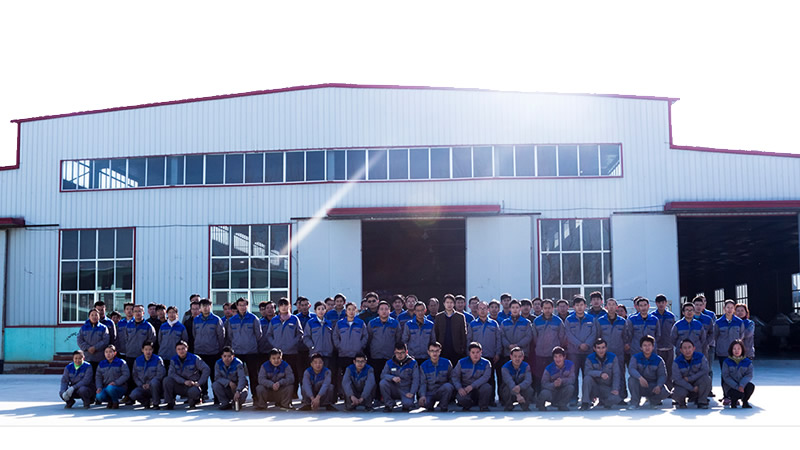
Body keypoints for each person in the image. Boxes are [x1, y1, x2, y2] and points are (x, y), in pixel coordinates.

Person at [267, 297, 305, 396]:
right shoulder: (274, 320)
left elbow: (300, 334)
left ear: (289, 306)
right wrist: (275, 344)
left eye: (286, 305)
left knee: (293, 372)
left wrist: (292, 343)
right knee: (278, 373)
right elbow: (269, 335)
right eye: (281, 305)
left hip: (292, 352)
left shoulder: (294, 319)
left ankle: (293, 393)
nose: (284, 307)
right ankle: (279, 394)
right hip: (278, 353)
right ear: (278, 307)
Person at [224, 297, 262, 393]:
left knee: (253, 375)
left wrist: (250, 342)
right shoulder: (232, 320)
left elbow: (258, 334)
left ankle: (255, 396)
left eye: (244, 305)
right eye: (240, 305)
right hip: (237, 351)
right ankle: (238, 395)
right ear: (237, 306)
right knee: (237, 375)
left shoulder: (253, 318)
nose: (242, 307)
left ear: (247, 306)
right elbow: (230, 336)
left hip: (251, 351)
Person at [596, 298, 629, 404]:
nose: (611, 307)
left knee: (620, 374)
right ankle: (603, 399)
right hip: (604, 354)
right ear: (606, 307)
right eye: (609, 304)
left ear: (616, 307)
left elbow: (625, 337)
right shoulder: (600, 321)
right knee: (604, 375)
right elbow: (598, 337)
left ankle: (621, 397)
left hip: (618, 352)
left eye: (613, 304)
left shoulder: (622, 321)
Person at [333, 302, 369, 399]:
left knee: (355, 376)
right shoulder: (340, 323)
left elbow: (365, 336)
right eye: (349, 309)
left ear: (356, 311)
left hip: (356, 354)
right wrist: (339, 346)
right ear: (346, 311)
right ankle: (346, 396)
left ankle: (356, 396)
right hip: (343, 354)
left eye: (353, 309)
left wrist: (361, 346)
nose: (351, 312)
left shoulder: (360, 323)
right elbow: (335, 336)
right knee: (345, 376)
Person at [563, 296, 595, 404]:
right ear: (573, 307)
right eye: (577, 305)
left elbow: (594, 333)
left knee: (588, 375)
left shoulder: (591, 319)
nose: (579, 307)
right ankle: (573, 398)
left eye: (581, 305)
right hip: (574, 352)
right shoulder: (569, 319)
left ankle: (588, 398)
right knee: (573, 375)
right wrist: (579, 345)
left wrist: (587, 344)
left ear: (585, 306)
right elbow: (568, 334)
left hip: (588, 352)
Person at [466, 301, 502, 396]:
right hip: (476, 356)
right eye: (480, 308)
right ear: (477, 310)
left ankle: (491, 399)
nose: (482, 311)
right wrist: (469, 354)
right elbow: (469, 340)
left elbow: (498, 339)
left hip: (490, 356)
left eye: (484, 308)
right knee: (476, 378)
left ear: (488, 310)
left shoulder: (494, 324)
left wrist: (497, 353)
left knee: (491, 378)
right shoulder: (472, 324)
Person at [193, 298, 225, 403]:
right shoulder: (196, 320)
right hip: (200, 352)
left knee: (214, 375)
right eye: (203, 306)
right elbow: (194, 334)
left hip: (213, 352)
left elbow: (221, 336)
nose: (205, 308)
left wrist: (219, 350)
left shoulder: (216, 320)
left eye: (207, 306)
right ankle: (200, 396)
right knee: (200, 375)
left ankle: (217, 397)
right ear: (200, 308)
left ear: (210, 307)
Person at [164, 340, 211, 410]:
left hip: (192, 386)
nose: (181, 351)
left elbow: (206, 369)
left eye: (183, 348)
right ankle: (170, 402)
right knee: (167, 380)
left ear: (187, 348)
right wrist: (184, 381)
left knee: (194, 392)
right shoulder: (173, 360)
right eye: (179, 349)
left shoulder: (194, 358)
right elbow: (171, 374)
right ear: (176, 350)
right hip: (179, 385)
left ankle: (194, 402)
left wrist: (199, 382)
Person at [532, 299, 566, 393]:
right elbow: (534, 337)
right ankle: (539, 395)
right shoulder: (537, 321)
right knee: (539, 375)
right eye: (545, 308)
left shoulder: (558, 321)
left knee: (554, 376)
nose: (547, 310)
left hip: (553, 355)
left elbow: (562, 337)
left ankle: (554, 397)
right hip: (540, 354)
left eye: (549, 308)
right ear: (542, 308)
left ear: (553, 308)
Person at [714, 299, 745, 402]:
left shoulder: (739, 322)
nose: (730, 310)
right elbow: (715, 336)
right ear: (724, 308)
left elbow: (742, 335)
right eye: (728, 307)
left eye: (732, 308)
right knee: (725, 374)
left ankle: (736, 395)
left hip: (735, 353)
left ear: (734, 309)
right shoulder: (718, 322)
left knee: (736, 374)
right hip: (723, 352)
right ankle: (726, 396)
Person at [124, 305, 156, 400]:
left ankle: (147, 397)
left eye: (140, 311)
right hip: (130, 354)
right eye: (135, 311)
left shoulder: (148, 326)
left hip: (143, 356)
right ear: (133, 313)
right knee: (130, 377)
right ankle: (129, 397)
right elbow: (125, 339)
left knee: (142, 376)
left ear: (143, 313)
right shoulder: (128, 325)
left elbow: (152, 340)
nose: (137, 313)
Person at [628, 335, 669, 409]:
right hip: (640, 385)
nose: (647, 348)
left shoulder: (658, 360)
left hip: (652, 386)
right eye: (645, 345)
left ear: (653, 347)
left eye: (649, 345)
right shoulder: (635, 357)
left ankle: (653, 401)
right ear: (641, 347)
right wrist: (640, 378)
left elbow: (662, 375)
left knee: (664, 391)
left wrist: (659, 386)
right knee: (631, 380)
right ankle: (635, 402)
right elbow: (631, 369)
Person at [581, 338, 621, 410]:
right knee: (587, 378)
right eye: (598, 348)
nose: (601, 350)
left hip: (607, 387)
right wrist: (600, 374)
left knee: (616, 399)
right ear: (594, 349)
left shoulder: (613, 357)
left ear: (606, 348)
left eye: (603, 347)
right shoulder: (590, 358)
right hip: (594, 386)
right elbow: (587, 372)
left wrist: (615, 389)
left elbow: (616, 374)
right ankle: (585, 402)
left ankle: (605, 401)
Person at [451, 342, 493, 412]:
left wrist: (472, 386)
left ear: (481, 352)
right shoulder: (461, 362)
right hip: (465, 388)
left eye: (478, 352)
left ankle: (483, 406)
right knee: (461, 398)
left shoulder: (486, 363)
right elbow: (455, 377)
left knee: (487, 387)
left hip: (479, 387)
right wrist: (459, 388)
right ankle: (468, 405)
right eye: (473, 352)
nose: (475, 355)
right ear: (469, 353)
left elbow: (485, 377)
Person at [368, 300, 402, 385]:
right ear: (378, 311)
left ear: (389, 311)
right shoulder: (372, 323)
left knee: (390, 378)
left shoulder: (395, 323)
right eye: (382, 309)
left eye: (386, 309)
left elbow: (398, 339)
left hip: (390, 356)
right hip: (376, 356)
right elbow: (369, 338)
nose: (384, 311)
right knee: (376, 377)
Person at [379, 342, 420, 412]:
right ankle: (389, 404)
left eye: (402, 353)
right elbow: (383, 375)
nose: (399, 355)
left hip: (406, 389)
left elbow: (416, 379)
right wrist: (392, 378)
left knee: (408, 404)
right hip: (394, 388)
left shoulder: (413, 363)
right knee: (383, 383)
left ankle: (407, 403)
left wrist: (412, 392)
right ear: (394, 352)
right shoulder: (389, 363)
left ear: (406, 352)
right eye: (397, 353)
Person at [671, 338, 710, 409]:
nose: (687, 350)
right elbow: (677, 379)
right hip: (684, 385)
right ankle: (681, 402)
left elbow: (705, 370)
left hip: (697, 383)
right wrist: (692, 388)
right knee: (678, 392)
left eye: (689, 347)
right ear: (681, 350)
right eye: (685, 348)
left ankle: (702, 401)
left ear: (694, 348)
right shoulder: (676, 362)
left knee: (706, 379)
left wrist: (690, 378)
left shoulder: (701, 357)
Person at [418, 342, 454, 412]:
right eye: (432, 351)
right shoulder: (423, 366)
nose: (434, 353)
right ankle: (430, 405)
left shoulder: (447, 363)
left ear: (440, 351)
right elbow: (423, 383)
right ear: (428, 352)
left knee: (448, 386)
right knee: (425, 403)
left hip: (441, 390)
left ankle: (443, 406)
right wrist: (422, 395)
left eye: (437, 351)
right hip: (430, 392)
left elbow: (451, 379)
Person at [129, 341, 165, 409]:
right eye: (146, 349)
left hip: (155, 387)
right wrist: (141, 384)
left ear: (153, 350)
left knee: (154, 382)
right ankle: (146, 402)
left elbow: (160, 374)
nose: (148, 352)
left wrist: (149, 384)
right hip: (142, 386)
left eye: (150, 349)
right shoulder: (137, 360)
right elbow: (135, 375)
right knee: (133, 395)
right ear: (142, 350)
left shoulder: (158, 359)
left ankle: (156, 403)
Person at [538, 346, 575, 411]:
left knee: (570, 387)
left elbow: (572, 379)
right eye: (555, 357)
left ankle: (562, 404)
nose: (558, 359)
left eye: (560, 356)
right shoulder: (548, 368)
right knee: (544, 393)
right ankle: (540, 405)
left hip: (563, 390)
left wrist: (562, 381)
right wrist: (553, 384)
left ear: (564, 357)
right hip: (552, 391)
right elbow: (544, 383)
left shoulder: (570, 365)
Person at [434, 294, 467, 366]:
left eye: (451, 302)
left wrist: (462, 349)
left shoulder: (460, 317)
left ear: (454, 304)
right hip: (442, 349)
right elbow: (436, 333)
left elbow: (463, 334)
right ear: (444, 304)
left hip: (456, 349)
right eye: (447, 302)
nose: (449, 304)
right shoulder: (439, 317)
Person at [693, 295, 716, 395]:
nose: (698, 307)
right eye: (696, 304)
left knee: (708, 369)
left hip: (708, 347)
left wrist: (706, 343)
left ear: (704, 305)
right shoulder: (689, 317)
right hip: (693, 349)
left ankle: (708, 390)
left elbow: (713, 332)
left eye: (701, 304)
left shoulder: (709, 317)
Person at [212, 346, 249, 411]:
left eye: (229, 356)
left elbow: (242, 378)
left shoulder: (238, 363)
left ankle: (237, 403)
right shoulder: (218, 363)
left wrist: (238, 390)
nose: (227, 358)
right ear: (221, 356)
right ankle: (224, 402)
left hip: (237, 387)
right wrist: (228, 382)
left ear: (233, 356)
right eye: (225, 356)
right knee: (215, 385)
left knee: (244, 392)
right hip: (226, 387)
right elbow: (217, 377)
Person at [652, 294, 676, 390]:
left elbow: (674, 332)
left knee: (669, 369)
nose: (661, 304)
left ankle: (669, 389)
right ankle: (658, 389)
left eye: (663, 302)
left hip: (669, 347)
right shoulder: (652, 316)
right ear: (656, 303)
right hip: (657, 348)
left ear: (666, 303)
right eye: (659, 303)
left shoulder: (671, 316)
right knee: (657, 369)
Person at [722, 339, 754, 408]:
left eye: (739, 349)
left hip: (742, 385)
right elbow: (726, 377)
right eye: (734, 349)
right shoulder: (726, 362)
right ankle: (733, 401)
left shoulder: (747, 362)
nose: (736, 351)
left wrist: (742, 385)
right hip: (731, 386)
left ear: (742, 350)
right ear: (731, 350)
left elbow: (749, 375)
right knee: (735, 392)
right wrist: (737, 387)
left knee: (750, 386)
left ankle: (745, 402)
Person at [94, 345, 129, 409]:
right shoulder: (101, 364)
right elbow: (98, 377)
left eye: (110, 352)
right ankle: (110, 401)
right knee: (99, 396)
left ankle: (115, 402)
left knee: (110, 388)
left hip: (119, 387)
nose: (108, 354)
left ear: (115, 353)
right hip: (106, 387)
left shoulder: (121, 362)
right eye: (106, 352)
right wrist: (99, 387)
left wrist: (116, 383)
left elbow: (126, 375)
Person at [500, 347, 534, 411]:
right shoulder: (505, 367)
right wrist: (518, 395)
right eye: (515, 356)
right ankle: (509, 406)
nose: (517, 359)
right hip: (510, 389)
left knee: (529, 390)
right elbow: (509, 382)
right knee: (505, 390)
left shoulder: (526, 366)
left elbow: (528, 380)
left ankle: (525, 405)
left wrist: (520, 386)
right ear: (511, 357)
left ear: (523, 357)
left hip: (522, 388)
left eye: (519, 356)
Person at [77, 309, 110, 375]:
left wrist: (95, 347)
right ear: (89, 317)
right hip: (87, 357)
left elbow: (105, 341)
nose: (94, 317)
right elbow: (79, 340)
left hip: (99, 358)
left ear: (99, 317)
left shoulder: (103, 328)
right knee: (87, 376)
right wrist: (88, 348)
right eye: (92, 315)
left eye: (96, 315)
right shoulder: (83, 328)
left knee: (99, 376)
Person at [303, 301, 335, 368]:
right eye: (319, 309)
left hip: (327, 353)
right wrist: (312, 346)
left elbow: (333, 337)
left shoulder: (329, 323)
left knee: (326, 371)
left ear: (325, 311)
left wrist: (331, 347)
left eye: (323, 309)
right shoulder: (310, 323)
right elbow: (306, 337)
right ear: (315, 311)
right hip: (315, 353)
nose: (321, 311)